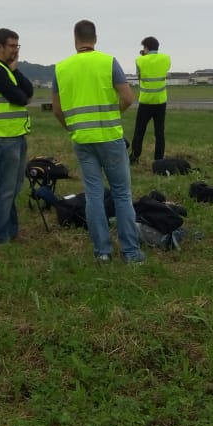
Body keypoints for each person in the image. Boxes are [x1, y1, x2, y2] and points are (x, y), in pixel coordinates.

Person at [51, 20, 144, 264]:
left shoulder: (61, 68)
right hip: (110, 137)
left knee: (93, 195)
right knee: (122, 194)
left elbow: (57, 110)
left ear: (75, 39)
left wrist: (73, 127)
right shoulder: (108, 62)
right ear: (95, 38)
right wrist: (113, 115)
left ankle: (102, 252)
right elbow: (127, 97)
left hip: (82, 139)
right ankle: (130, 252)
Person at [0, 28, 33, 245]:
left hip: (15, 135)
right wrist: (20, 90)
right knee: (4, 188)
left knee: (15, 186)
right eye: (12, 46)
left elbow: (28, 90)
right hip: (2, 138)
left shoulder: (6, 69)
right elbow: (20, 98)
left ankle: (10, 230)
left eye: (17, 46)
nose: (16, 50)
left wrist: (16, 71)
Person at [130, 36, 171, 164]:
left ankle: (135, 156)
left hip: (146, 102)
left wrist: (143, 56)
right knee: (159, 132)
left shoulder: (140, 60)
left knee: (139, 131)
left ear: (146, 48)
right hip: (160, 101)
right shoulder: (166, 58)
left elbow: (139, 76)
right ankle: (159, 159)